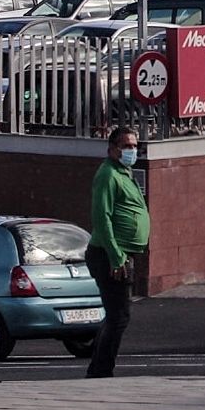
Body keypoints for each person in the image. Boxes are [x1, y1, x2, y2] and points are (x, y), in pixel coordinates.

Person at [84, 127, 149, 378]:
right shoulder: (108, 175)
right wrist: (116, 256)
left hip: (121, 254)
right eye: (126, 146)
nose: (131, 150)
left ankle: (98, 368)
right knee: (119, 316)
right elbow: (102, 217)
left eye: (134, 145)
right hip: (110, 255)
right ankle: (101, 370)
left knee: (114, 316)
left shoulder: (124, 172)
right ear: (112, 149)